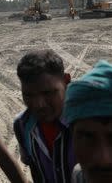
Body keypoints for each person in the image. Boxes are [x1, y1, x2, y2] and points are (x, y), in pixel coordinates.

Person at [14, 49, 75, 183]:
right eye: (29, 95)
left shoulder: (87, 120)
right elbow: (35, 169)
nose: (39, 105)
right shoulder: (22, 125)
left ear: (66, 81)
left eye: (48, 93)